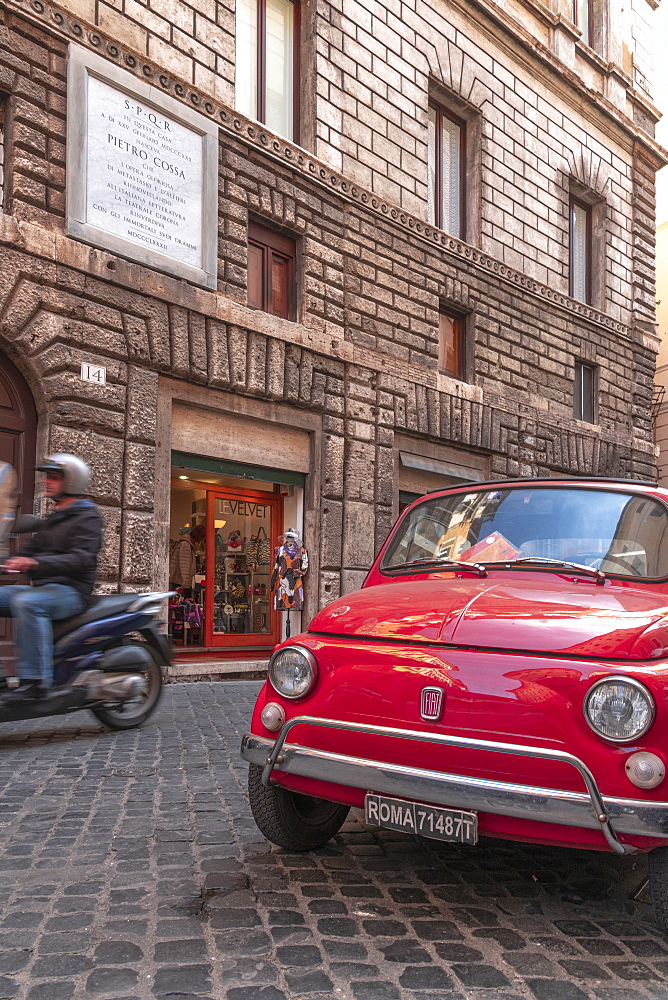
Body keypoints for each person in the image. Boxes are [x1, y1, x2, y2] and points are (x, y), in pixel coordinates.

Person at [0, 454, 102, 703]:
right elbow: (29, 551)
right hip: (45, 588)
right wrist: (7, 562)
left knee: (28, 602)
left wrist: (34, 564)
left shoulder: (88, 517)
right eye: (47, 476)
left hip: (71, 591)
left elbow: (82, 559)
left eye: (54, 477)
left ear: (73, 482)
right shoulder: (53, 518)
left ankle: (35, 682)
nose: (47, 481)